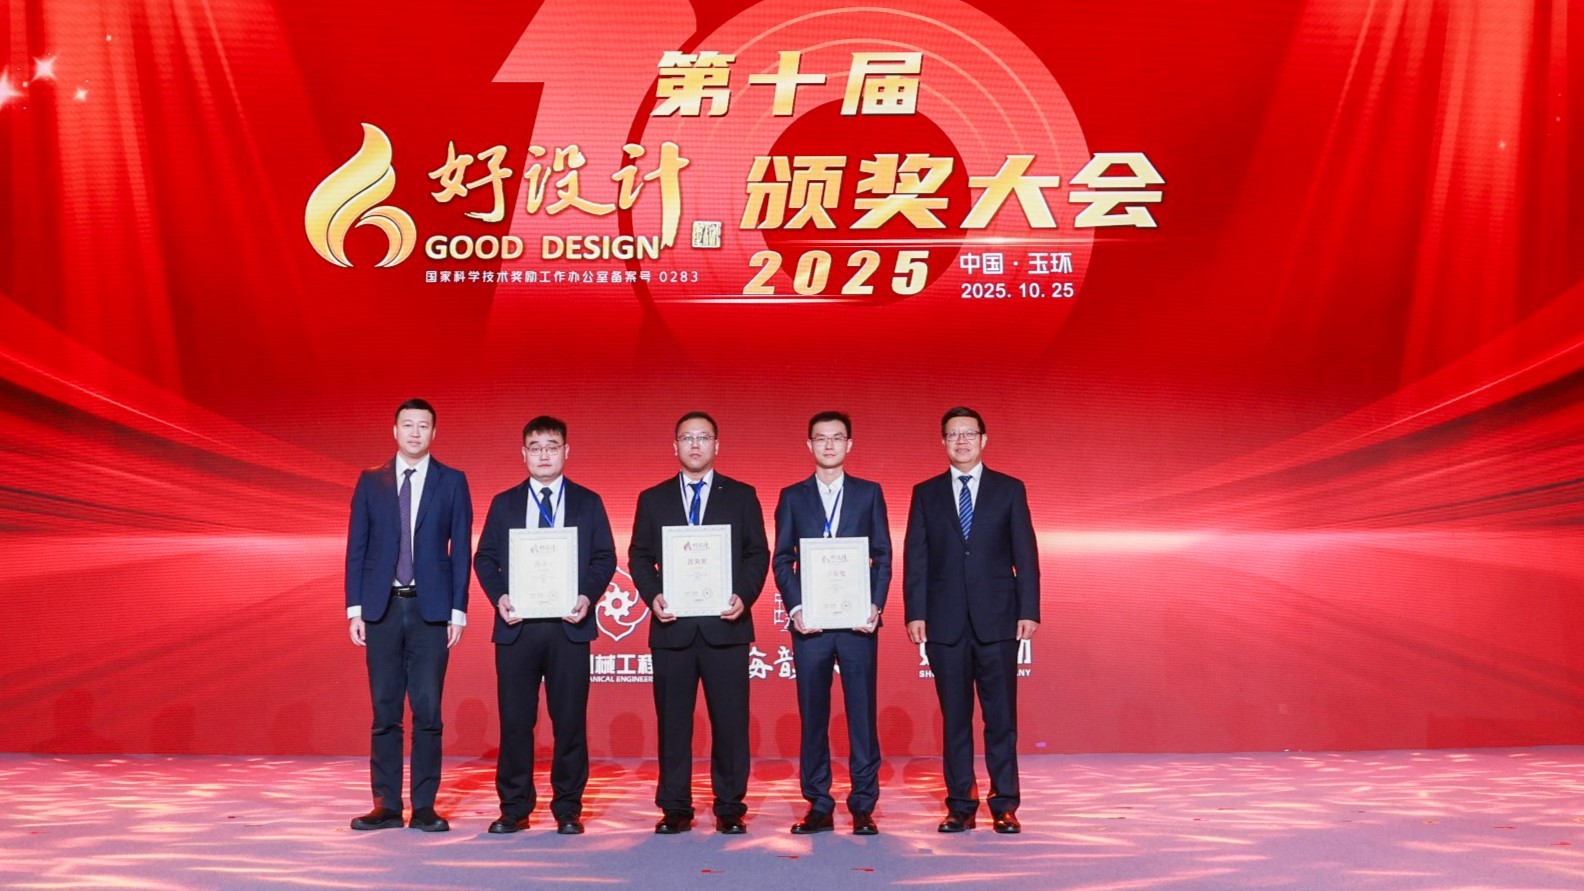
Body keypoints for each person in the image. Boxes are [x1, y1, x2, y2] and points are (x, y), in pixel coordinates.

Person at [474, 416, 617, 835]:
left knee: (569, 721)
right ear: (523, 454)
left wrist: (586, 596)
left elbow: (604, 557)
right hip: (517, 627)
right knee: (516, 722)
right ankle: (514, 808)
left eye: (551, 447)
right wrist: (500, 596)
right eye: (535, 448)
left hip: (568, 626)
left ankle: (568, 808)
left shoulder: (588, 502)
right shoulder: (504, 503)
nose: (543, 455)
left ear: (566, 452)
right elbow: (485, 558)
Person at [629, 411, 769, 835]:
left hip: (726, 626)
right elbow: (639, 556)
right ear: (675, 446)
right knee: (673, 723)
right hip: (672, 627)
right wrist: (653, 595)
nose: (695, 445)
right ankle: (675, 807)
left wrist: (743, 596)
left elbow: (757, 554)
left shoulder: (741, 495)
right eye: (687, 438)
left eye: (703, 437)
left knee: (730, 723)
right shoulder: (652, 498)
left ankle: (730, 807)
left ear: (716, 445)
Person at [904, 406, 1039, 834]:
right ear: (942, 442)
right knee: (955, 720)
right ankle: (960, 805)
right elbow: (916, 558)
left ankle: (1004, 804)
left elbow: (1026, 554)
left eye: (968, 433)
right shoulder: (925, 493)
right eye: (952, 434)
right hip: (944, 623)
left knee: (1000, 719)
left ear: (983, 439)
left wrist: (1029, 609)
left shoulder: (1009, 489)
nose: (960, 441)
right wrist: (915, 612)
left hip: (998, 620)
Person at [344, 398, 472, 832]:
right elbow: (357, 547)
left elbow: (460, 550)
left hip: (430, 610)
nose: (415, 432)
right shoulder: (371, 481)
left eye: (423, 426)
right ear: (394, 430)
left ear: (434, 433)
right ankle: (386, 806)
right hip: (380, 608)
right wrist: (355, 609)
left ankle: (424, 807)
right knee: (385, 710)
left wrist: (457, 610)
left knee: (428, 711)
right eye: (408, 425)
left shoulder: (452, 481)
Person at [772, 411, 892, 836]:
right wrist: (796, 608)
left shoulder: (869, 493)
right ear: (809, 445)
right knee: (813, 716)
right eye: (821, 438)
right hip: (812, 626)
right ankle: (819, 804)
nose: (828, 445)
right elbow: (782, 559)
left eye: (837, 438)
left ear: (849, 445)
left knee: (862, 715)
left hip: (858, 623)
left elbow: (883, 555)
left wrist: (875, 604)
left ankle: (863, 805)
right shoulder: (792, 496)